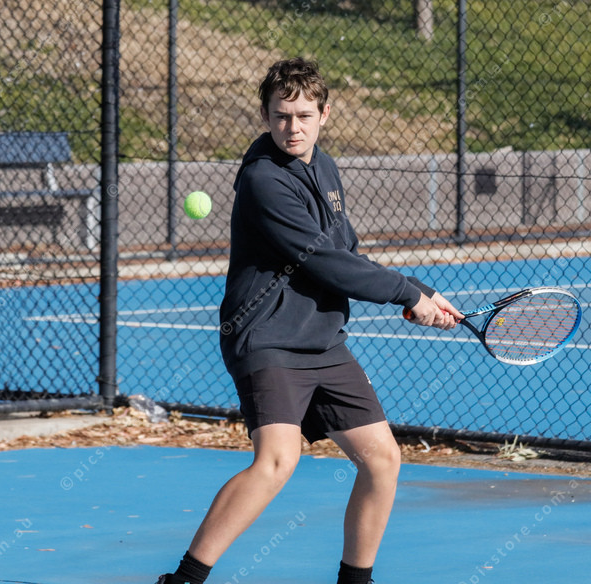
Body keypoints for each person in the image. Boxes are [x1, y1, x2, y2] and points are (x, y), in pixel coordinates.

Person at [155, 57, 463, 584]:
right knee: (277, 461)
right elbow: (322, 260)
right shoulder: (263, 180)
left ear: (325, 114)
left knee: (382, 460)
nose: (292, 128)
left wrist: (419, 291)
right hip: (267, 338)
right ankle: (183, 580)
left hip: (322, 340)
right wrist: (406, 293)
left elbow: (345, 250)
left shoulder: (324, 167)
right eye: (280, 116)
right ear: (266, 116)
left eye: (302, 116)